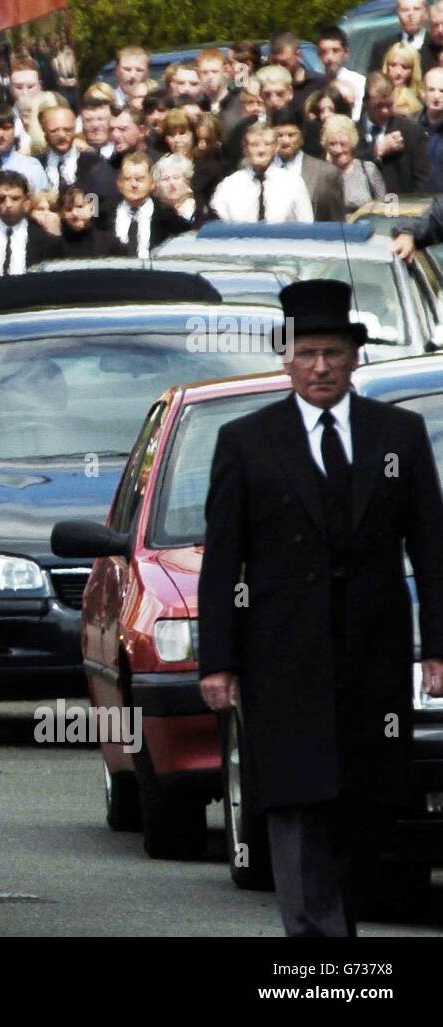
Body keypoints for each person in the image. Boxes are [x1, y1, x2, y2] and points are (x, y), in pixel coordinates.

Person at [199, 278, 443, 937]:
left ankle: (336, 927)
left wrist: (438, 650)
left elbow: (431, 547)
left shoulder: (400, 434)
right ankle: (316, 946)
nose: (320, 366)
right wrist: (216, 660)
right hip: (281, 660)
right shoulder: (246, 441)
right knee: (297, 804)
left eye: (333, 352)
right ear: (286, 358)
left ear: (354, 358)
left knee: (363, 809)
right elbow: (223, 559)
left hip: (374, 659)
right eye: (307, 352)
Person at [212, 124, 314, 223]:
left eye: (267, 144)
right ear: (245, 149)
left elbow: (307, 224)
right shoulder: (229, 185)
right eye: (254, 145)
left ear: (276, 147)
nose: (261, 150)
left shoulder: (293, 183)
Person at [0, 171, 61, 278]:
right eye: (2, 199)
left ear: (27, 201)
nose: (8, 204)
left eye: (15, 198)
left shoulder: (47, 241)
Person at [358, 73, 430, 193]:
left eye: (389, 105)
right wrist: (376, 151)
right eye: (378, 106)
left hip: (400, 206)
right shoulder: (353, 131)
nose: (385, 111)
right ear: (365, 103)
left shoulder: (411, 132)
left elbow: (422, 180)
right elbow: (347, 169)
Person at [273, 108, 344, 222]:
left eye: (291, 135)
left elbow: (337, 222)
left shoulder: (325, 173)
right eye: (279, 135)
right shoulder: (261, 169)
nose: (285, 141)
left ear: (301, 137)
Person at [104, 151, 181, 257]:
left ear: (152, 183)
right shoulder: (103, 215)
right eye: (127, 179)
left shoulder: (169, 217)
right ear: (119, 184)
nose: (133, 185)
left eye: (139, 179)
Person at [324, 114, 387, 216]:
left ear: (353, 143)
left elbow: (383, 208)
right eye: (332, 144)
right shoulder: (320, 173)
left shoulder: (368, 170)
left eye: (343, 144)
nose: (338, 149)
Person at [38, 104, 102, 191]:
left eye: (67, 130)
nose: (62, 135)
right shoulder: (36, 165)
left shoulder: (93, 163)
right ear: (44, 132)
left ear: (75, 129)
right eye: (54, 131)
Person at [368, 0, 437, 78]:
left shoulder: (436, 46)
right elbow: (375, 83)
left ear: (425, 12)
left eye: (416, 9)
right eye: (405, 10)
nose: (410, 14)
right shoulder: (382, 47)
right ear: (398, 12)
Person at [55, 185, 124, 257]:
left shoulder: (111, 244)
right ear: (61, 214)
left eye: (80, 207)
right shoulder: (55, 248)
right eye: (68, 209)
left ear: (91, 208)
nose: (74, 213)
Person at [316, 25, 366, 123]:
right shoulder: (315, 83)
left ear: (346, 52)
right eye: (324, 52)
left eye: (335, 51)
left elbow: (357, 117)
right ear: (318, 54)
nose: (329, 57)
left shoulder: (359, 82)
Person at [270, 30, 328, 112]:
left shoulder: (319, 84)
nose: (279, 68)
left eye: (284, 64)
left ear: (298, 55)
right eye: (275, 62)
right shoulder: (266, 88)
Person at [152, 153, 206, 230]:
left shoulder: (200, 208)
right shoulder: (155, 213)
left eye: (176, 177)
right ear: (158, 186)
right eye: (166, 179)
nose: (172, 183)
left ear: (187, 181)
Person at [422, 66, 443, 191]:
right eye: (431, 90)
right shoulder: (410, 127)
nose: (436, 96)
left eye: (442, 91)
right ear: (423, 92)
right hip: (416, 204)